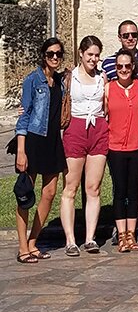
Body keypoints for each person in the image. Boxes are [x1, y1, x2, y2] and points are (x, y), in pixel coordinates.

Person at [14, 38, 69, 263]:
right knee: (25, 194)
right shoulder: (32, 80)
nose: (54, 57)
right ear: (43, 56)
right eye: (50, 54)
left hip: (53, 142)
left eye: (58, 54)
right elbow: (24, 115)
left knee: (49, 193)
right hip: (33, 141)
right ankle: (21, 247)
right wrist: (21, 150)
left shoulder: (59, 81)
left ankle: (33, 241)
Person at [102, 20, 138, 246]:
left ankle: (137, 227)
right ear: (119, 37)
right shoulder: (108, 69)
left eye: (133, 34)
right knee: (119, 187)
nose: (130, 38)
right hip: (116, 142)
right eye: (125, 35)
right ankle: (120, 230)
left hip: (137, 140)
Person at [60, 35, 108, 257]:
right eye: (90, 54)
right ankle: (70, 239)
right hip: (76, 129)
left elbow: (107, 105)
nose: (94, 59)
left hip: (98, 129)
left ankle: (90, 238)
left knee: (93, 188)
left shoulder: (102, 78)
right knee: (71, 187)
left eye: (97, 55)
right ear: (81, 53)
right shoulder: (69, 78)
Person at [105, 47, 138, 253]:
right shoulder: (108, 88)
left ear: (133, 67)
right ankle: (121, 234)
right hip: (115, 147)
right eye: (120, 66)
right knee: (120, 191)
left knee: (133, 190)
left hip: (137, 146)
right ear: (115, 68)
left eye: (127, 66)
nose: (123, 69)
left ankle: (132, 233)